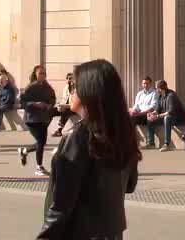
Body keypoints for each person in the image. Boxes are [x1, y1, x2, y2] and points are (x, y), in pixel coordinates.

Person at [36, 59, 140, 240]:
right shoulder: (123, 131)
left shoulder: (78, 136)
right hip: (111, 232)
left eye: (75, 88)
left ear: (89, 93)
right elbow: (130, 185)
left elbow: (61, 205)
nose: (72, 93)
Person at [19, 65, 57, 175]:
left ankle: (25, 151)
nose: (43, 75)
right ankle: (39, 167)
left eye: (44, 73)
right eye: (40, 73)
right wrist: (35, 104)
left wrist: (49, 105)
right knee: (40, 142)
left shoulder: (48, 87)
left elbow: (53, 99)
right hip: (32, 119)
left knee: (42, 142)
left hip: (43, 118)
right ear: (35, 74)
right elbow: (22, 103)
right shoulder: (30, 87)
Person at [147, 80, 185, 151]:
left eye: (156, 88)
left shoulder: (171, 95)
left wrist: (157, 116)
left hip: (178, 118)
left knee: (167, 118)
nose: (156, 90)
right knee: (150, 120)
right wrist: (151, 114)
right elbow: (157, 110)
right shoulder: (160, 96)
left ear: (160, 89)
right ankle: (151, 143)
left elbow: (170, 112)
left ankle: (166, 144)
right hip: (167, 116)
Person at [128, 76, 158, 147]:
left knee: (149, 118)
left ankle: (150, 143)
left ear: (150, 84)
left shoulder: (154, 93)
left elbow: (153, 107)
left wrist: (140, 113)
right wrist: (133, 110)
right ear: (142, 84)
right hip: (140, 115)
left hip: (149, 114)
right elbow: (136, 106)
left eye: (147, 83)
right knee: (128, 118)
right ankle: (131, 142)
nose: (145, 85)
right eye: (144, 83)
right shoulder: (139, 94)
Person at [53, 72, 77, 137]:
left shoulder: (77, 88)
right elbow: (64, 99)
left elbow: (75, 104)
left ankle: (60, 129)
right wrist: (60, 105)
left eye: (71, 78)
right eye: (68, 78)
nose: (70, 80)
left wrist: (64, 106)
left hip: (74, 107)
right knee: (52, 110)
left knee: (66, 111)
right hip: (66, 106)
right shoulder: (66, 87)